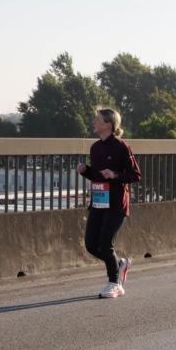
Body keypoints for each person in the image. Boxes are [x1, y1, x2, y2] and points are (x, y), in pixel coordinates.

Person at [77, 108, 142, 298]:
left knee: (105, 243)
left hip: (116, 203)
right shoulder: (95, 147)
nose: (94, 123)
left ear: (108, 124)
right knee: (91, 245)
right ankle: (119, 263)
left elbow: (135, 175)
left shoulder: (122, 147)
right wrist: (86, 171)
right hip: (99, 201)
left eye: (97, 120)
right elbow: (98, 176)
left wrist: (115, 175)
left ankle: (115, 283)